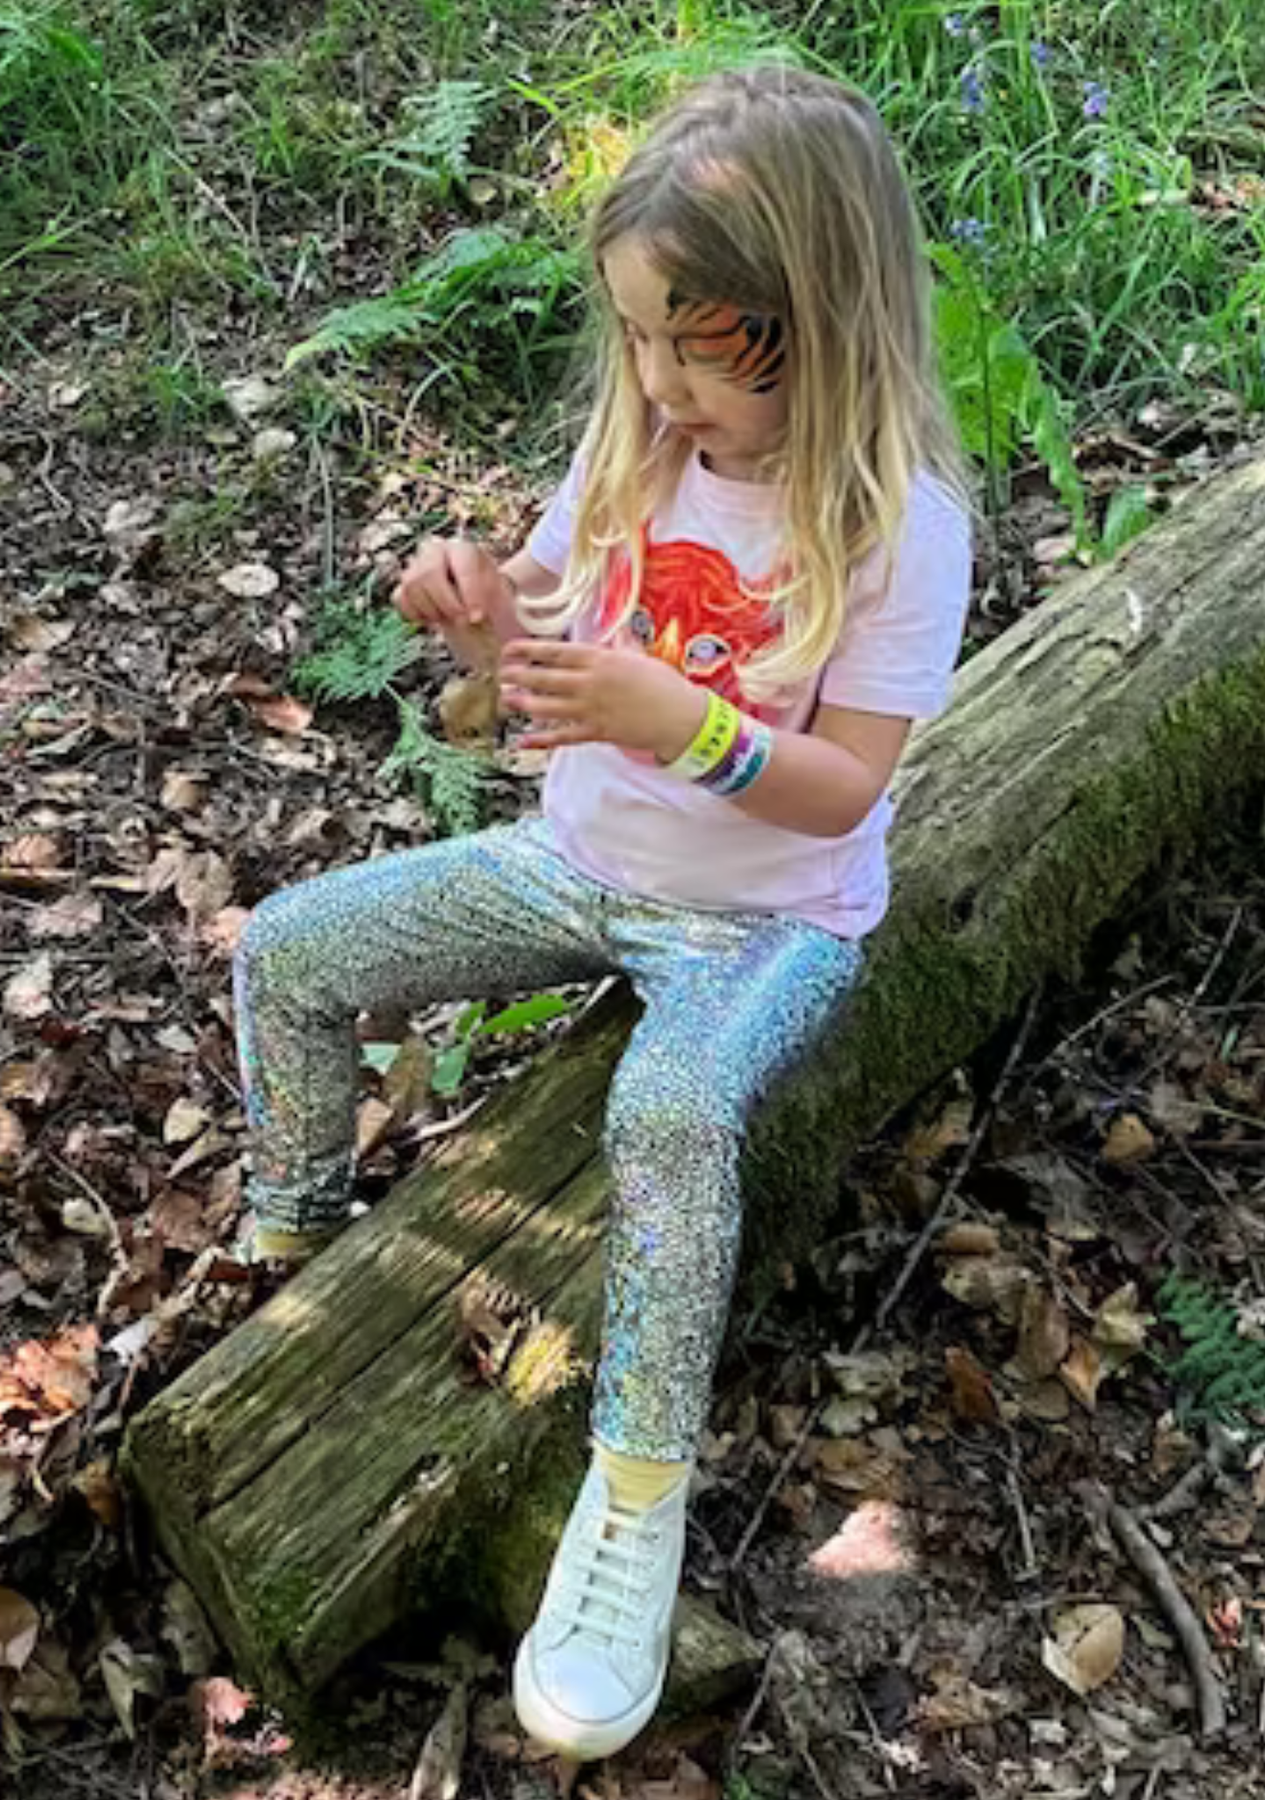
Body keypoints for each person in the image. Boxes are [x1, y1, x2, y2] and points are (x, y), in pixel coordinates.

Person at [231, 62, 974, 1761]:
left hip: (769, 926)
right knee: (287, 950)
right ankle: (294, 1255)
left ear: (818, 325)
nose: (653, 381)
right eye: (636, 336)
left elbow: (843, 788)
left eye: (693, 347)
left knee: (671, 1110)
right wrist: (478, 618)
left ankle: (634, 1495)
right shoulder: (639, 446)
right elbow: (536, 653)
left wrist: (685, 724)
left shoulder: (898, 525)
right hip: (580, 867)